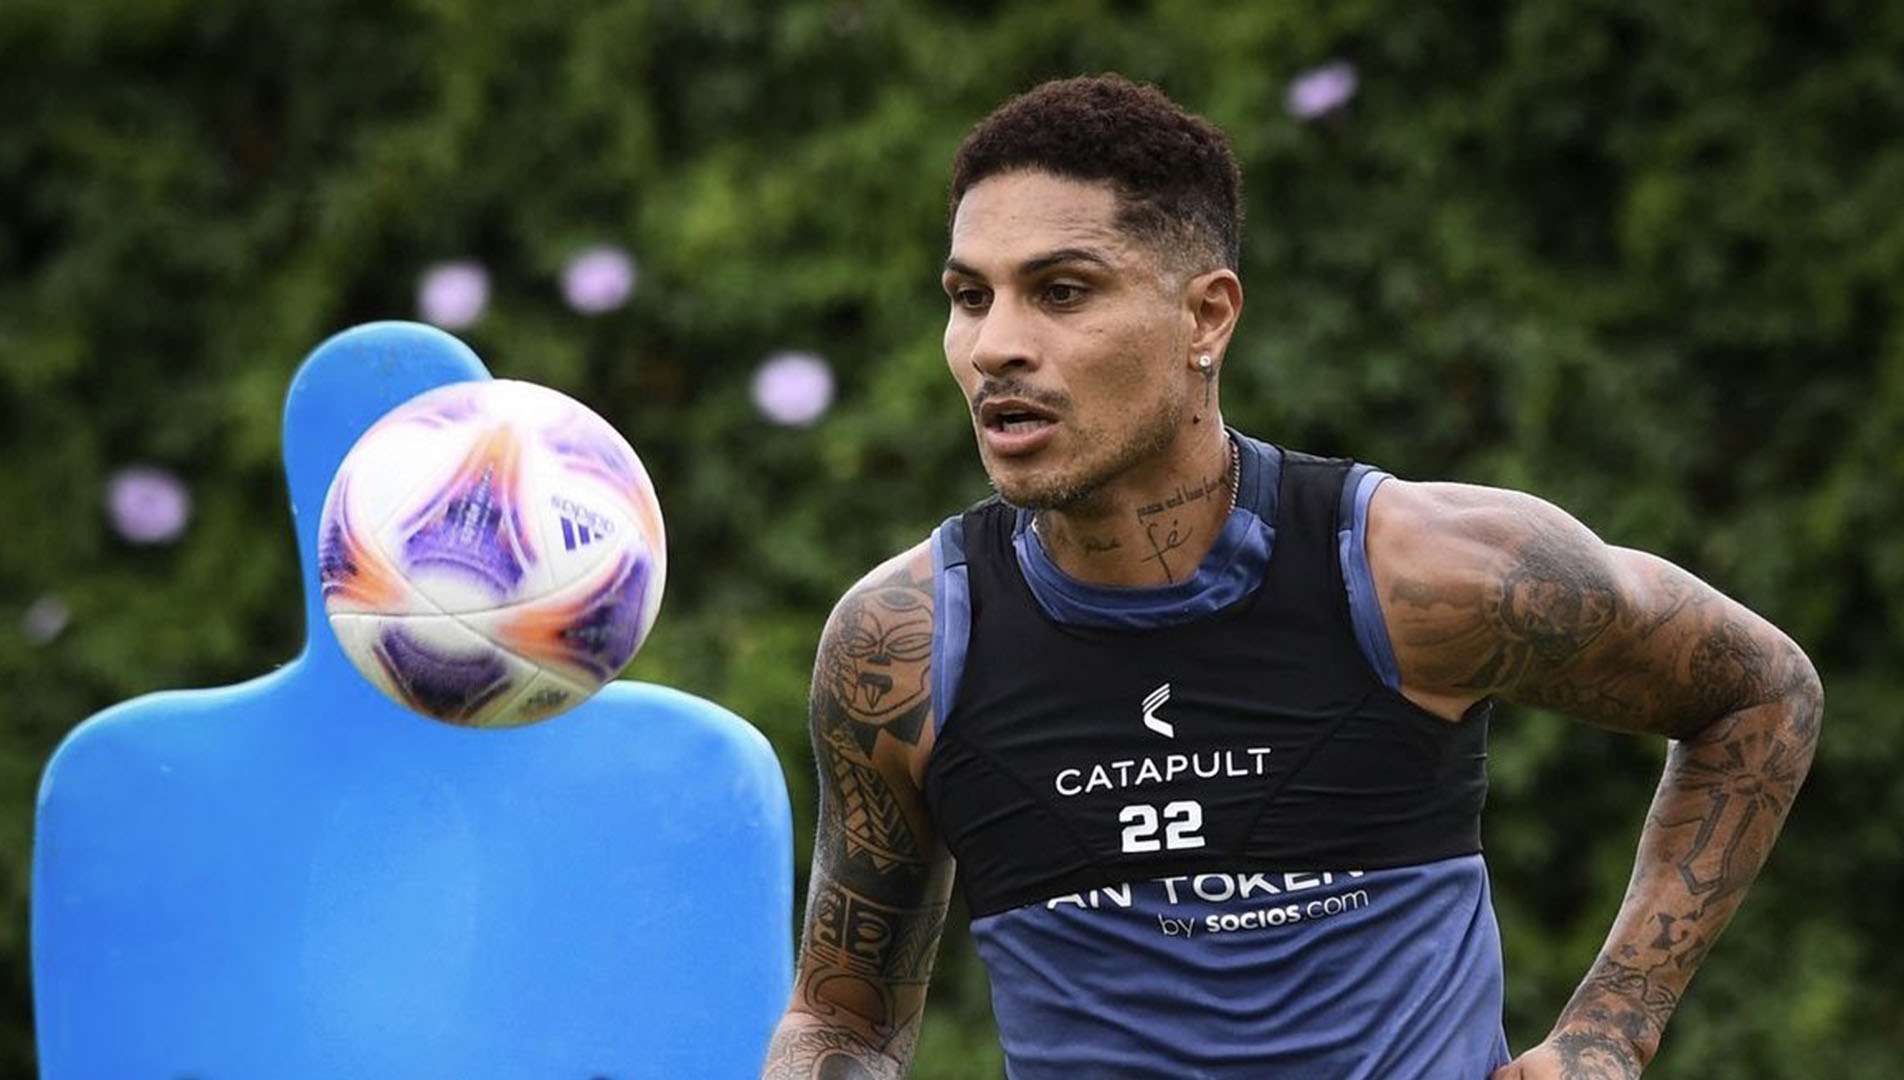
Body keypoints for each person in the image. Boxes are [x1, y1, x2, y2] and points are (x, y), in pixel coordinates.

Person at [762, 75, 1823, 1080]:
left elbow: (1760, 694)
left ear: (1206, 317)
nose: (995, 346)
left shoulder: (1423, 573)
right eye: (967, 296)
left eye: (1061, 291)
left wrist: (1611, 1031)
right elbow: (843, 1018)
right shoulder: (906, 645)